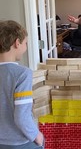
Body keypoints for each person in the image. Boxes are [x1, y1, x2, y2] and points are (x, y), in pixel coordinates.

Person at [0, 20, 44, 149]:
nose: (25, 48)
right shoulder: (22, 74)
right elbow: (21, 117)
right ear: (17, 43)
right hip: (19, 142)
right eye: (25, 43)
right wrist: (36, 135)